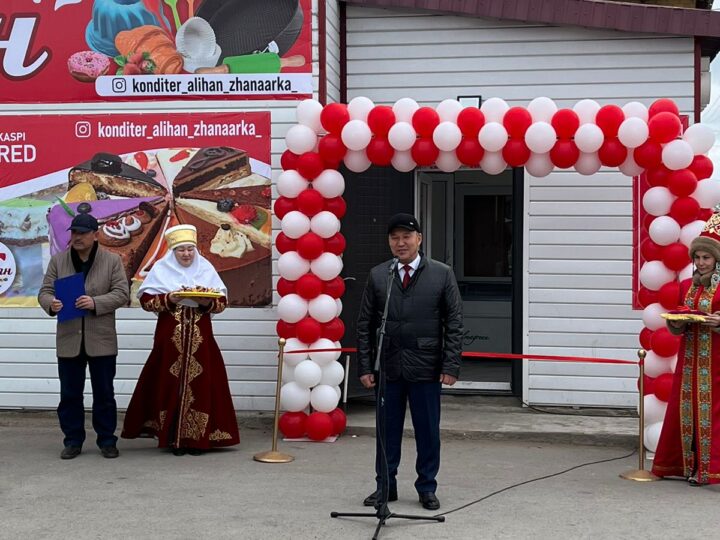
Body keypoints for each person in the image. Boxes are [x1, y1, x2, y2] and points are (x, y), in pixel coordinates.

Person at [357, 213, 463, 510]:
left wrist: (450, 365)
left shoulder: (441, 273)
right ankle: (385, 486)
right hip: (388, 367)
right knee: (386, 432)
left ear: (419, 239)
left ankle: (427, 487)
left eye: (406, 237)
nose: (400, 243)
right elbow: (365, 323)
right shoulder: (381, 275)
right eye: (394, 238)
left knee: (427, 430)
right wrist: (365, 366)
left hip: (427, 367)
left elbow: (454, 322)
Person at [121, 224, 240, 455]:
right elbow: (146, 301)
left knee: (201, 385)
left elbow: (222, 302)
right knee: (169, 384)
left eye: (189, 249)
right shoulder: (161, 270)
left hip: (201, 339)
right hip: (169, 339)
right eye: (181, 250)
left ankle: (197, 439)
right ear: (172, 251)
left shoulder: (206, 269)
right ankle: (172, 438)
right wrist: (170, 297)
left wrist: (207, 302)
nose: (186, 254)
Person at [38, 212, 130, 460]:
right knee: (69, 394)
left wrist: (95, 302)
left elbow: (122, 293)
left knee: (104, 394)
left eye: (82, 233)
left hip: (101, 339)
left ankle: (107, 440)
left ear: (95, 234)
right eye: (74, 232)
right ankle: (73, 440)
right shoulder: (58, 261)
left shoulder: (112, 260)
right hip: (69, 339)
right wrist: (51, 303)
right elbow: (44, 291)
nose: (76, 237)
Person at [652, 212, 720, 485]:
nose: (701, 263)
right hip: (690, 362)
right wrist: (677, 323)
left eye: (707, 257)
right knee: (685, 412)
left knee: (713, 415)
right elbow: (681, 317)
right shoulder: (685, 285)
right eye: (697, 257)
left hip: (716, 363)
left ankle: (710, 469)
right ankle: (688, 466)